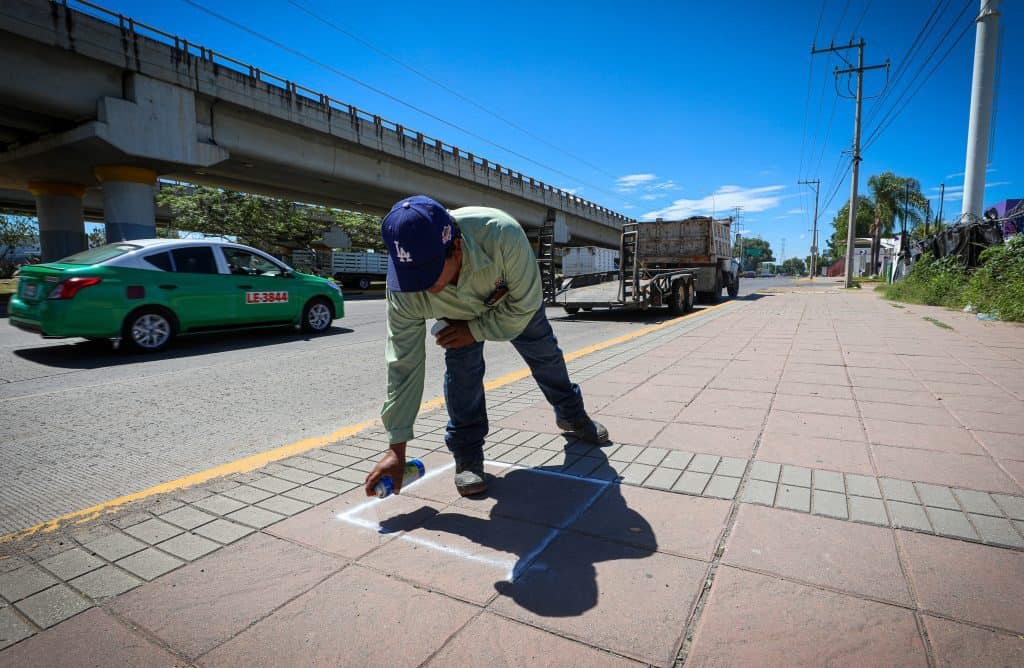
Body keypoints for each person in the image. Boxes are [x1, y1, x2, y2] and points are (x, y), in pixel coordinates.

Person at [364, 195, 609, 498]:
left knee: (546, 356)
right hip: (455, 313)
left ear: (454, 247)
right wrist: (396, 448)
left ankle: (572, 415)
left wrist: (476, 329)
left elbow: (526, 305)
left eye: (427, 274)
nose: (421, 287)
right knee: (462, 374)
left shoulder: (502, 235)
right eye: (411, 277)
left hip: (511, 302)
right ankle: (467, 455)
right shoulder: (404, 286)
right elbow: (403, 362)